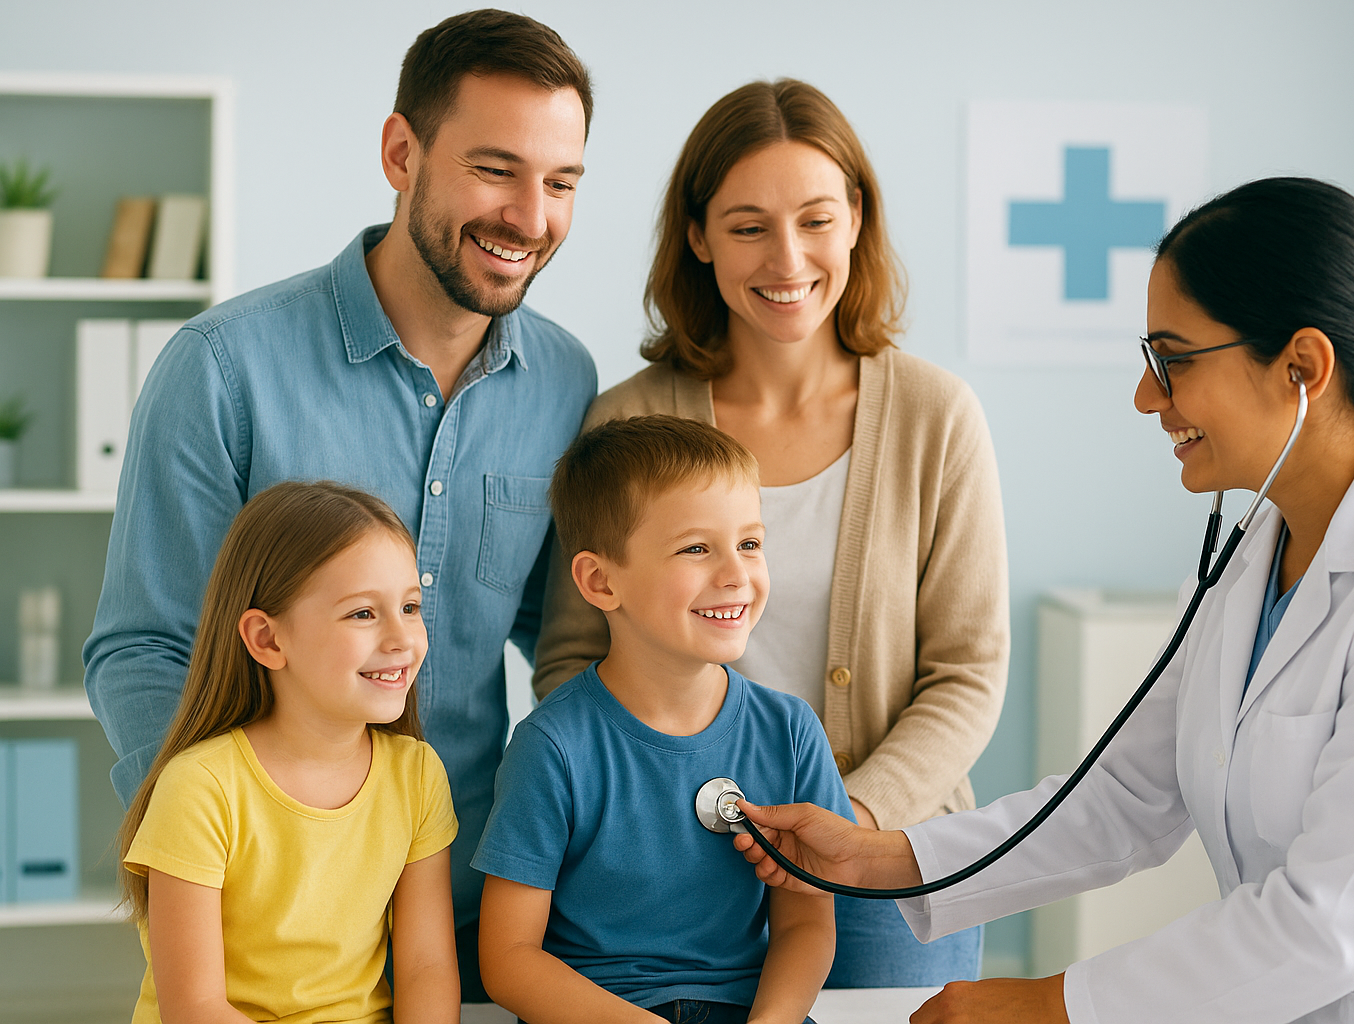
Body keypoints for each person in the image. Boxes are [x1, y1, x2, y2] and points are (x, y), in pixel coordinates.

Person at [732, 177, 1354, 1024]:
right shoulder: (1254, 556)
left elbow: (1331, 923)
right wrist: (874, 857)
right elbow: (1124, 796)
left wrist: (1050, 1006)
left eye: (1173, 360)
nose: (1148, 396)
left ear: (1302, 367)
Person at [83, 10, 597, 998]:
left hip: (486, 904)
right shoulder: (223, 369)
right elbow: (144, 648)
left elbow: (566, 639)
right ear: (401, 153)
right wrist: (243, 851)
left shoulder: (567, 382)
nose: (530, 217)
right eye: (496, 170)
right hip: (274, 926)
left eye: (562, 182)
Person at [532, 78, 1008, 987]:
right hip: (667, 862)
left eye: (816, 220)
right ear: (698, 236)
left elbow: (968, 674)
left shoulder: (936, 416)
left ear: (857, 218)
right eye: (748, 226)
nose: (787, 258)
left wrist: (850, 821)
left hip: (885, 857)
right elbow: (571, 658)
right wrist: (658, 810)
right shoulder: (626, 424)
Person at [475, 415, 852, 1024]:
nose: (736, 575)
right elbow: (509, 958)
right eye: (696, 549)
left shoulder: (791, 732)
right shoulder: (552, 746)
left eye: (750, 544)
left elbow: (806, 923)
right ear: (600, 582)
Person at [118, 481, 458, 1024]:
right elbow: (195, 1007)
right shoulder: (200, 788)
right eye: (363, 614)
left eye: (410, 606)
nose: (402, 638)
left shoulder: (418, 777)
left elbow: (427, 968)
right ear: (268, 640)